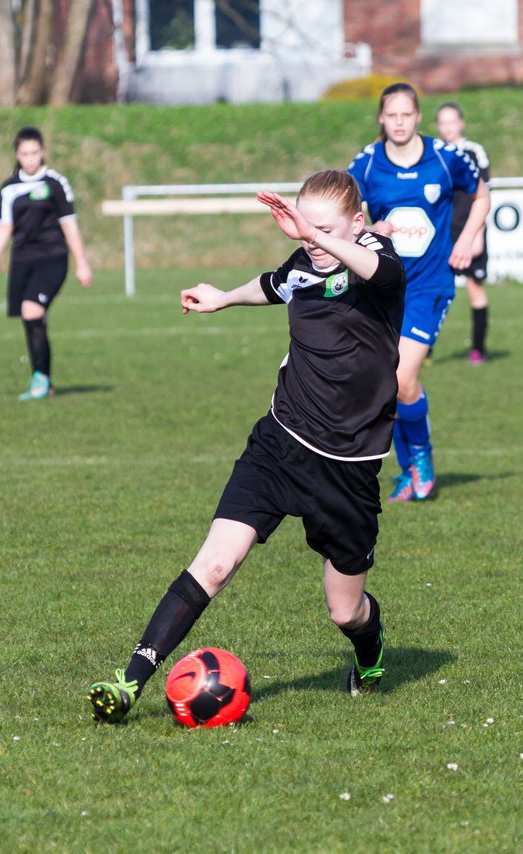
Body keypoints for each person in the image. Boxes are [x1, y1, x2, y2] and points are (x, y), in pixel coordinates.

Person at [87, 170, 406, 723]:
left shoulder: (377, 255)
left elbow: (375, 270)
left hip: (348, 467)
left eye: (323, 228)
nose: (309, 238)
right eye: (304, 228)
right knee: (213, 564)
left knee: (344, 610)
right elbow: (274, 284)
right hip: (280, 443)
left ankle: (370, 647)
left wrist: (320, 235)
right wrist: (222, 298)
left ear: (356, 222)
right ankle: (128, 682)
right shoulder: (305, 262)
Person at [348, 83, 489, 502]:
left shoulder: (445, 159)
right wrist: (369, 230)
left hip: (429, 286)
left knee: (401, 376)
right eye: (391, 115)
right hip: (380, 286)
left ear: (418, 116)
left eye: (406, 115)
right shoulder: (368, 164)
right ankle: (409, 469)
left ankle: (421, 460)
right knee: (385, 385)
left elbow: (481, 195)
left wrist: (467, 239)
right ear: (380, 118)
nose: (399, 122)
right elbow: (344, 211)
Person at [0, 127, 93, 400]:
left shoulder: (55, 183)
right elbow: (3, 228)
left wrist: (82, 263)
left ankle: (40, 379)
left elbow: (69, 224)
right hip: (22, 260)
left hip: (52, 257)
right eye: (24, 154)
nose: (30, 158)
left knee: (31, 310)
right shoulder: (9, 187)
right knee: (32, 317)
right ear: (17, 155)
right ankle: (44, 380)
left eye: (35, 153)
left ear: (43, 152)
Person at [435, 101, 492, 364]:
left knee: (474, 289)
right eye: (443, 122)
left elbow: (483, 195)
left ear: (461, 123)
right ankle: (424, 349)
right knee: (431, 289)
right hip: (440, 234)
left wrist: (477, 235)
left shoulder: (473, 152)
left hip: (469, 230)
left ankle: (478, 348)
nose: (448, 127)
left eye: (452, 121)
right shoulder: (431, 154)